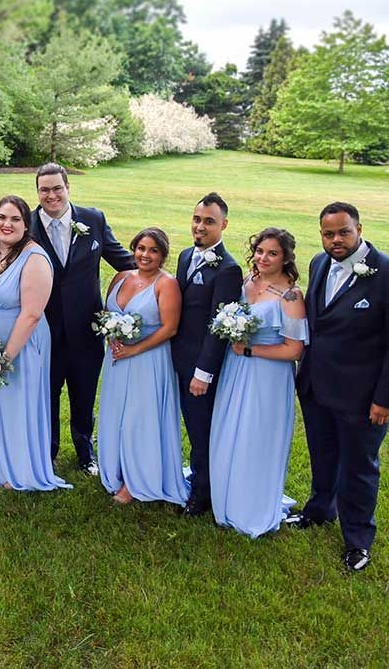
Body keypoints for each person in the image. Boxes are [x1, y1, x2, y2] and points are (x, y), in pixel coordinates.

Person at [292, 202, 389, 574]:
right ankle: (319, 511)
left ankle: (358, 540)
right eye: (328, 233)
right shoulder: (319, 264)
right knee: (323, 456)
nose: (336, 239)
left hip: (364, 397)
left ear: (359, 229)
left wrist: (386, 398)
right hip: (317, 387)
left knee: (359, 468)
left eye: (343, 232)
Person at [30, 163, 136, 477]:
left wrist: (157, 279)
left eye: (56, 188)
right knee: (45, 394)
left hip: (86, 329)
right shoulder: (28, 224)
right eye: (44, 190)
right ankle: (46, 453)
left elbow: (123, 260)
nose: (51, 195)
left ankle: (85, 452)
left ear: (67, 188)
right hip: (44, 329)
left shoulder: (93, 219)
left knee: (84, 393)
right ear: (38, 193)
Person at [210, 228, 307, 536]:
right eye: (260, 251)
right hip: (235, 370)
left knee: (256, 438)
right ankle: (225, 494)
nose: (264, 258)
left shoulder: (291, 296)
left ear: (286, 258)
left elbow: (295, 349)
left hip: (268, 378)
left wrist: (250, 349)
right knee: (229, 431)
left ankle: (250, 505)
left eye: (273, 253)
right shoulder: (248, 281)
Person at [0, 196, 70, 493]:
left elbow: (31, 314)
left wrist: (4, 358)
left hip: (21, 344)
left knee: (17, 405)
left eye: (16, 219)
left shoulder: (35, 258)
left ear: (26, 225)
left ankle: (20, 470)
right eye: (2, 217)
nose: (7, 224)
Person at [97, 226, 184, 503]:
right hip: (117, 361)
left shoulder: (166, 283)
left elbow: (169, 328)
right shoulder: (120, 277)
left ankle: (137, 483)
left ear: (162, 255)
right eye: (141, 248)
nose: (145, 255)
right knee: (116, 415)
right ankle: (117, 470)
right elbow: (106, 315)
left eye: (153, 250)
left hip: (148, 360)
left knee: (140, 419)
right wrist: (111, 334)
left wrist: (135, 349)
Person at [169, 193, 243, 516]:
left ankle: (203, 495)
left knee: (202, 431)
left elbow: (219, 326)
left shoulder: (228, 270)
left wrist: (203, 373)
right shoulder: (186, 256)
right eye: (197, 219)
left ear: (224, 225)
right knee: (192, 425)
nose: (200, 226)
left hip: (200, 368)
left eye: (209, 221)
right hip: (178, 357)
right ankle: (200, 481)